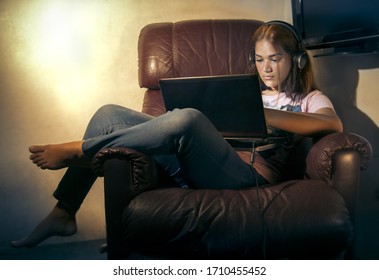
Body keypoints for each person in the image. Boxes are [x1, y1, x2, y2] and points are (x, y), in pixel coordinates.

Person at [11, 21, 343, 248]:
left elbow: (332, 125)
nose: (266, 68)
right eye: (259, 59)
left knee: (188, 120)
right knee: (108, 113)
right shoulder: (243, 91)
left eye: (275, 58)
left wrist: (266, 114)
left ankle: (81, 149)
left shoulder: (308, 99)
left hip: (245, 175)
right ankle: (64, 212)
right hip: (198, 163)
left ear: (298, 60)